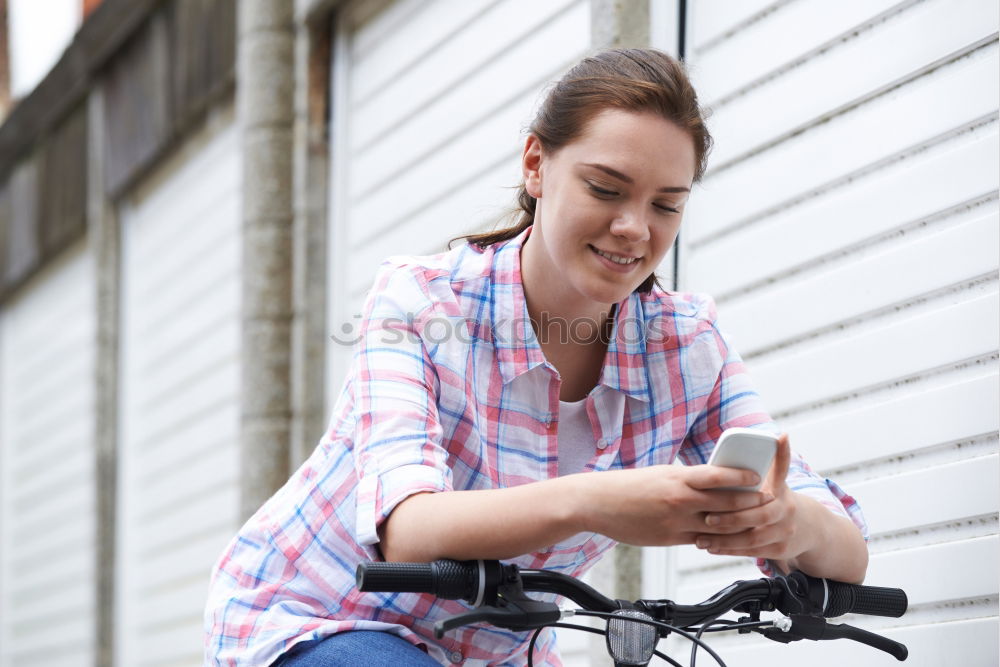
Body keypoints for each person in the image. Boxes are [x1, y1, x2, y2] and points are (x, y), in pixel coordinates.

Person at [204, 48, 869, 666]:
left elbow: (847, 551)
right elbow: (408, 527)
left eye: (666, 205)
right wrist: (595, 500)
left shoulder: (687, 344)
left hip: (493, 650)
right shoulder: (422, 301)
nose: (636, 228)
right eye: (606, 189)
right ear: (535, 166)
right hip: (323, 613)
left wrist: (787, 520)